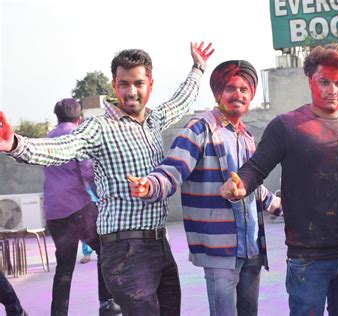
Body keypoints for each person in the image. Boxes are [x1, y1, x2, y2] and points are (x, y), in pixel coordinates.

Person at [0, 41, 214, 315]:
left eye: (138, 83)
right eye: (124, 84)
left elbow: (181, 101)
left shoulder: (153, 120)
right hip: (125, 249)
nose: (131, 91)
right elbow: (64, 147)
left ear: (150, 84)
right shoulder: (100, 127)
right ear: (114, 85)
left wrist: (198, 67)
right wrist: (17, 144)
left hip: (160, 244)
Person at [220, 44, 338, 316]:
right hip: (308, 260)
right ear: (310, 80)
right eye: (325, 82)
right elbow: (256, 168)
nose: (333, 90)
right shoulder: (286, 126)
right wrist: (240, 186)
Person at [128, 60, 282, 316]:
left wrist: (284, 208)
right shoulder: (199, 129)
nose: (238, 95)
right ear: (218, 93)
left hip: (251, 247)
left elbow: (254, 187)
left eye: (245, 89)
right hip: (220, 249)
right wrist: (150, 185)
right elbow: (173, 169)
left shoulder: (245, 136)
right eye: (231, 88)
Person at [43, 98, 120, 315]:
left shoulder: (48, 138)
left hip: (54, 212)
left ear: (57, 117)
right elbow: (87, 171)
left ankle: (58, 313)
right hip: (77, 208)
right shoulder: (77, 136)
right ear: (79, 118)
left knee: (64, 267)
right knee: (105, 250)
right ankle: (106, 302)